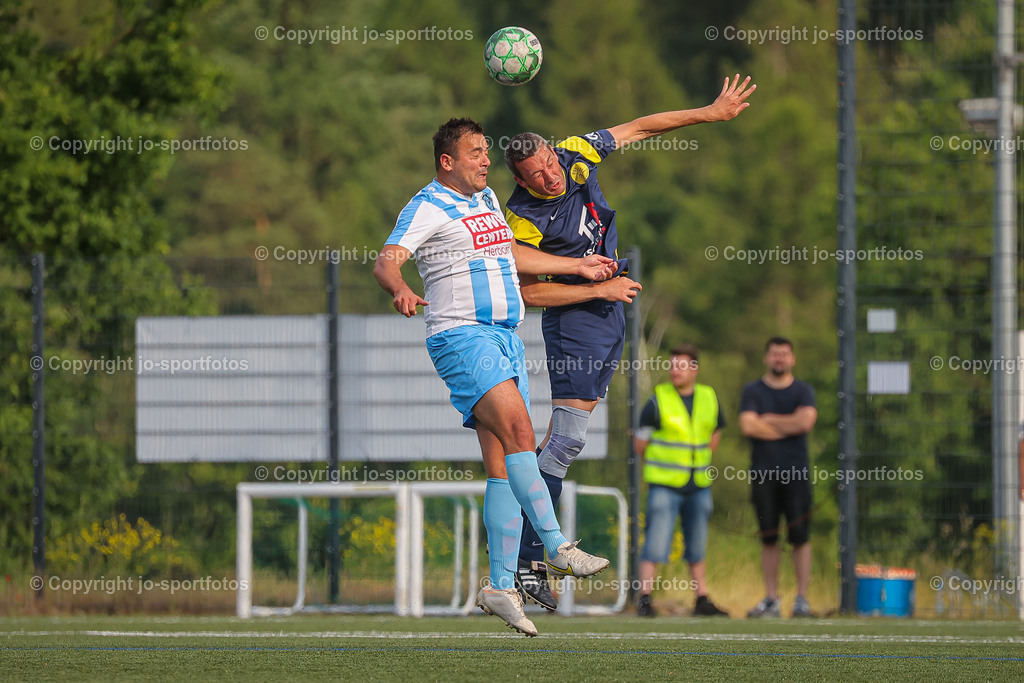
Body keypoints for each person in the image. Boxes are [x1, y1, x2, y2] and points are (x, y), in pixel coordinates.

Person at [502, 75, 757, 610]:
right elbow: (526, 290)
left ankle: (529, 559)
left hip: (607, 308)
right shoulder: (522, 215)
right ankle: (530, 560)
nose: (550, 176)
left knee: (561, 443)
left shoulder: (574, 155)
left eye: (549, 163)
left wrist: (710, 113)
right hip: (577, 320)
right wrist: (590, 280)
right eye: (536, 175)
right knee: (565, 442)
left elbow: (639, 127)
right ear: (520, 180)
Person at [373, 117, 611, 637]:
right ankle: (557, 546)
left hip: (504, 338)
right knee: (524, 434)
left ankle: (500, 587)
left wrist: (577, 268)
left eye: (485, 152)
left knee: (502, 465)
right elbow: (388, 259)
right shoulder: (429, 204)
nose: (486, 159)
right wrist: (399, 288)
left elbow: (510, 253)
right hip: (463, 336)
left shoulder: (484, 203)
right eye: (476, 153)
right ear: (447, 162)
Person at [633, 344, 728, 618]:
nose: (675, 370)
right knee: (655, 541)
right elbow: (640, 443)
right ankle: (645, 598)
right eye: (673, 365)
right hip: (664, 485)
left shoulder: (709, 397)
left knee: (697, 543)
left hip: (698, 485)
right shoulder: (657, 399)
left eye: (682, 365)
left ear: (694, 369)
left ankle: (702, 599)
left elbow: (715, 432)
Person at [738, 337, 817, 618]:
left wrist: (769, 419)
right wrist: (789, 425)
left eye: (784, 354)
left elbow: (806, 421)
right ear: (767, 358)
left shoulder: (803, 390)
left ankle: (802, 599)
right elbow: (748, 425)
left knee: (800, 537)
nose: (779, 359)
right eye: (775, 354)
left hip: (797, 475)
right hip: (764, 474)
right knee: (768, 536)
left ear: (792, 358)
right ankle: (772, 599)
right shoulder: (753, 391)